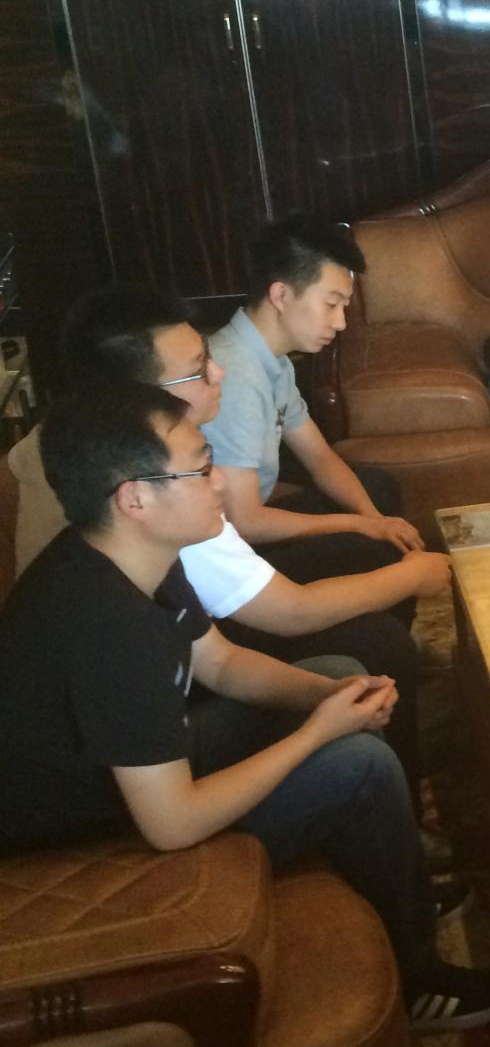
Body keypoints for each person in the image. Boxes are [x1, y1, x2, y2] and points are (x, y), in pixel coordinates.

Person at [0, 384, 490, 1032]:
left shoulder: (133, 555)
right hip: (103, 835)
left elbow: (219, 662)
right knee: (359, 767)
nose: (219, 482)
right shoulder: (109, 629)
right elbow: (171, 824)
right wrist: (317, 733)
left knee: (338, 672)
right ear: (134, 498)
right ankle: (418, 983)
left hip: (137, 777)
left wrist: (325, 698)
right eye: (200, 469)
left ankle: (393, 877)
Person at [8, 285, 448, 776]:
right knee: (375, 641)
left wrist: (368, 527)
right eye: (198, 369)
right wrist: (414, 575)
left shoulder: (122, 455)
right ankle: (400, 774)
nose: (219, 374)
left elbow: (219, 654)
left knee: (370, 544)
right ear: (138, 397)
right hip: (150, 690)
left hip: (183, 636)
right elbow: (287, 612)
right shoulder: (150, 502)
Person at [202, 214, 426, 589]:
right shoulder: (236, 376)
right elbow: (244, 521)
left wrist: (375, 520)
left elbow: (320, 457)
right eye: (331, 304)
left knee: (377, 491)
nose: (340, 323)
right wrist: (361, 525)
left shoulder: (272, 359)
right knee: (377, 551)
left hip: (252, 520)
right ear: (281, 295)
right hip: (227, 552)